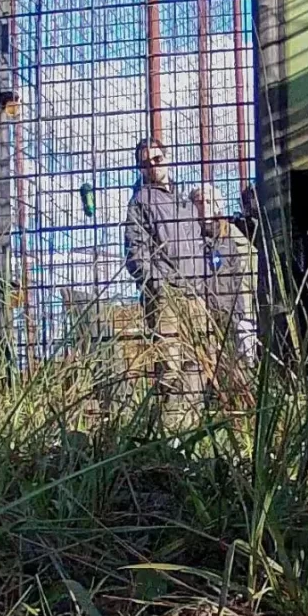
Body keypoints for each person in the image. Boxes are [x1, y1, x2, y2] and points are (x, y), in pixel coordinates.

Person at [123, 137, 213, 428]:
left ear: (167, 158)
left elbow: (200, 242)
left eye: (157, 159)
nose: (152, 166)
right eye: (146, 163)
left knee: (197, 361)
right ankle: (172, 431)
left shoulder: (184, 200)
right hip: (166, 296)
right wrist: (158, 286)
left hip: (194, 292)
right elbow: (135, 253)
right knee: (170, 365)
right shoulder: (140, 202)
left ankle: (194, 425)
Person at [190, 183, 259, 369]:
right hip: (201, 314)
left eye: (209, 201)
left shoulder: (229, 238)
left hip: (229, 313)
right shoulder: (187, 237)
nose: (204, 206)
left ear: (217, 206)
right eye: (199, 201)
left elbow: (238, 277)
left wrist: (239, 313)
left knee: (235, 367)